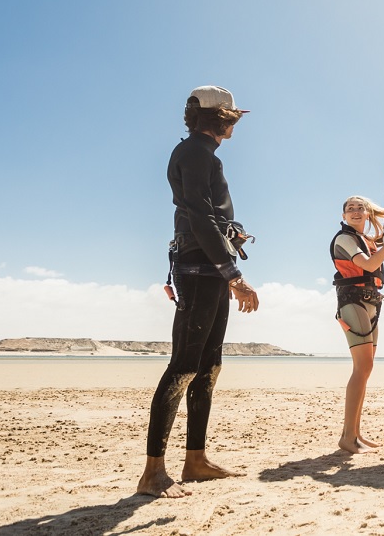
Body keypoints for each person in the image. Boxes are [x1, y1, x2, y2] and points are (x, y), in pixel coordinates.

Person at [137, 86, 260, 499]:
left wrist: (233, 232)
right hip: (199, 268)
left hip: (208, 267)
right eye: (231, 117)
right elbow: (200, 215)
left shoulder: (205, 153)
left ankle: (196, 461)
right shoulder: (193, 152)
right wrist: (234, 275)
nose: (234, 124)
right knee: (184, 367)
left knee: (209, 368)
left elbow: (210, 216)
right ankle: (153, 471)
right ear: (220, 119)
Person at [330, 195, 384, 454]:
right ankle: (348, 437)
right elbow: (368, 264)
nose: (354, 211)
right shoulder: (344, 239)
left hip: (373, 304)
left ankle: (354, 434)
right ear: (343, 216)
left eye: (359, 207)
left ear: (366, 214)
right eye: (349, 208)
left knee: (366, 368)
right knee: (362, 367)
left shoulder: (369, 241)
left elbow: (382, 244)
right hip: (353, 302)